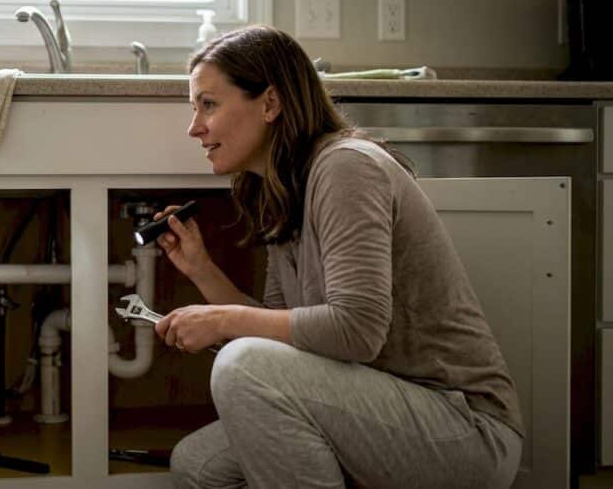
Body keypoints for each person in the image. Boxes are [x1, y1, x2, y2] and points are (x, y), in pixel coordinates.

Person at [153, 25, 523, 488]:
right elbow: (280, 336)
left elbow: (357, 330)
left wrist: (222, 320)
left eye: (208, 104)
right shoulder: (283, 188)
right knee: (198, 466)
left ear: (270, 103)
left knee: (243, 364)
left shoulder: (346, 167)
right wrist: (201, 269)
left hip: (461, 426)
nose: (195, 127)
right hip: (375, 406)